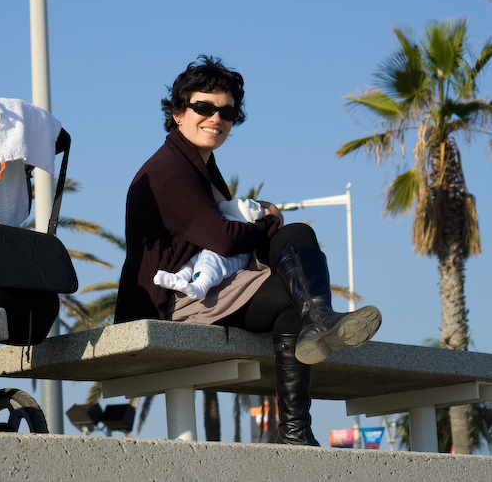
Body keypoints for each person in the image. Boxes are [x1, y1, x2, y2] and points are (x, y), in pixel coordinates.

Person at [115, 55, 382, 446]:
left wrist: (271, 227)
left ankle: (300, 408)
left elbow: (222, 235)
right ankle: (318, 331)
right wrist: (268, 222)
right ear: (177, 113)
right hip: (174, 299)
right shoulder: (169, 170)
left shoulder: (200, 165)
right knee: (289, 242)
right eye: (203, 108)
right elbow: (221, 238)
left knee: (297, 252)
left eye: (226, 111)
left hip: (210, 286)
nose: (216, 119)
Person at [153, 198, 263, 300]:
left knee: (213, 261)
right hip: (220, 246)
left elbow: (226, 206)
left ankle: (200, 286)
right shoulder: (244, 225)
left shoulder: (247, 215)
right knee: (196, 256)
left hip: (233, 254)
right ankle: (181, 276)